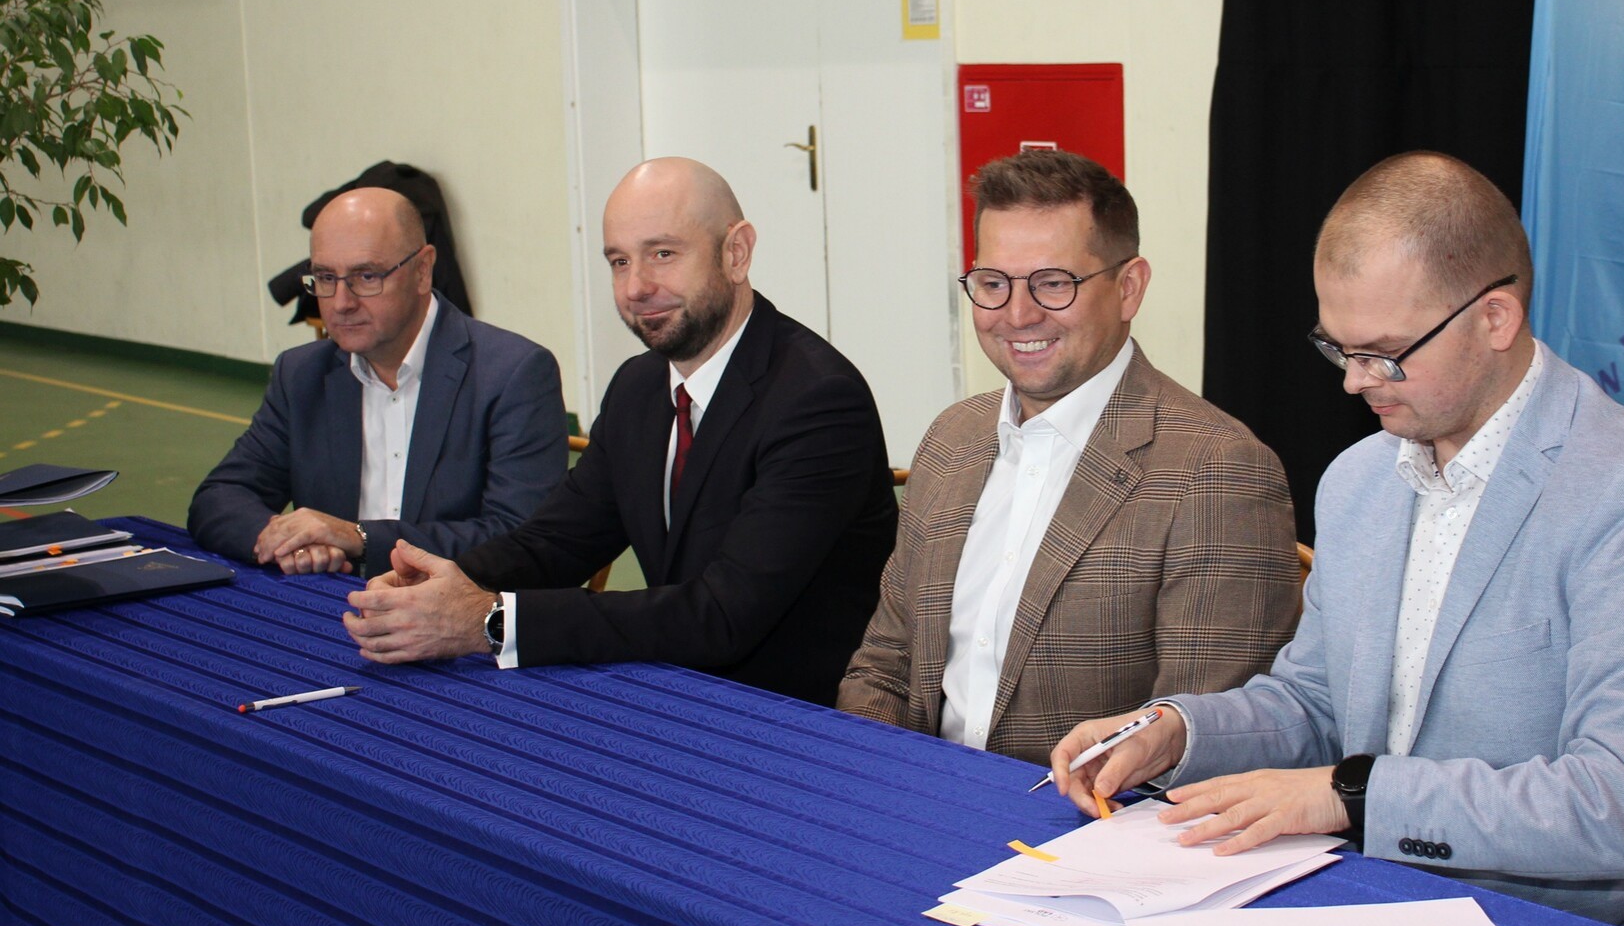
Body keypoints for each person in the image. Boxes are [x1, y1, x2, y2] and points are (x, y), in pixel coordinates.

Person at [1048, 151, 1624, 926]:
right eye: (1338, 349)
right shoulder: (1361, 479)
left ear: (1494, 318)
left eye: (1385, 353)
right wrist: (1179, 731)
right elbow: (1315, 703)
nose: (1354, 383)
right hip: (1406, 910)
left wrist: (1348, 795)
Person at [341, 157, 898, 706]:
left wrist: (492, 620)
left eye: (663, 254)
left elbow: (723, 614)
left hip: (797, 717)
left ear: (736, 252)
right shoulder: (639, 386)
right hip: (676, 686)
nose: (636, 287)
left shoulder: (818, 400)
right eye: (619, 261)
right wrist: (442, 585)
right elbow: (558, 542)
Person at [838, 150, 1299, 765]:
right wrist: (873, 777)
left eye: (1054, 283)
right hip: (920, 792)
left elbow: (1204, 745)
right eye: (993, 283)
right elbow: (886, 664)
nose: (1017, 314)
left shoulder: (1218, 470)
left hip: (1087, 816)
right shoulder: (951, 438)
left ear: (1129, 288)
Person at [189, 188, 567, 578]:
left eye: (366, 276)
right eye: (325, 278)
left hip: (460, 608)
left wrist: (359, 538)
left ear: (422, 270)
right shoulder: (301, 374)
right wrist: (287, 541)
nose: (341, 303)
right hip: (332, 601)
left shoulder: (512, 374)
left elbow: (520, 539)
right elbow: (219, 498)